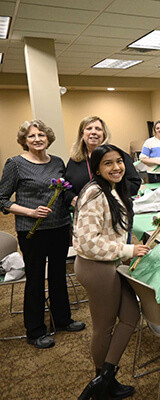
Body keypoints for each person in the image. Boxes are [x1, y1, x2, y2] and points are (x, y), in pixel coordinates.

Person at [0, 120, 85, 349]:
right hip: (32, 231)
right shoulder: (15, 164)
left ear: (48, 137)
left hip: (60, 227)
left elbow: (65, 191)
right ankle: (35, 330)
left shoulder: (57, 162)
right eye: (31, 136)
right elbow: (2, 200)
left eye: (41, 135)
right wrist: (29, 211)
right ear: (24, 141)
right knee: (36, 279)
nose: (37, 139)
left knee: (59, 275)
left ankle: (62, 319)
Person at [74, 144, 150, 400]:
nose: (116, 167)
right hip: (97, 268)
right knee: (104, 327)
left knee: (130, 316)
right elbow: (87, 242)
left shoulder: (114, 189)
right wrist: (128, 250)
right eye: (108, 163)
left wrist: (131, 245)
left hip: (111, 264)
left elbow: (113, 228)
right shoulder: (95, 194)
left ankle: (104, 379)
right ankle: (103, 382)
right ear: (97, 168)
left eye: (119, 161)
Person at [65, 116, 141, 208]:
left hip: (114, 209)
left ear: (104, 134)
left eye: (98, 129)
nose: (93, 132)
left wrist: (109, 195)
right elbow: (66, 187)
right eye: (89, 128)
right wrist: (72, 198)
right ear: (82, 134)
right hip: (85, 210)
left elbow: (135, 183)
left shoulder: (118, 155)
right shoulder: (75, 159)